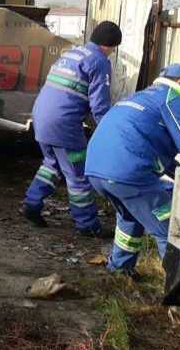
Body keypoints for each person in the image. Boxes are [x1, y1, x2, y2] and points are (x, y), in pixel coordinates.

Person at [85, 64, 180, 275]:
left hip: (97, 170)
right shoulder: (173, 99)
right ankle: (178, 288)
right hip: (129, 174)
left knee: (130, 217)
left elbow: (148, 146)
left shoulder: (142, 97)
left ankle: (119, 270)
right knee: (169, 228)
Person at [21, 20, 122, 237]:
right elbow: (100, 105)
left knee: (52, 164)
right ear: (109, 46)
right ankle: (87, 225)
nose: (111, 54)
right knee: (78, 174)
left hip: (41, 117)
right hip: (63, 124)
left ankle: (31, 204)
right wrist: (112, 132)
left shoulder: (73, 54)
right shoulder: (99, 61)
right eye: (113, 50)